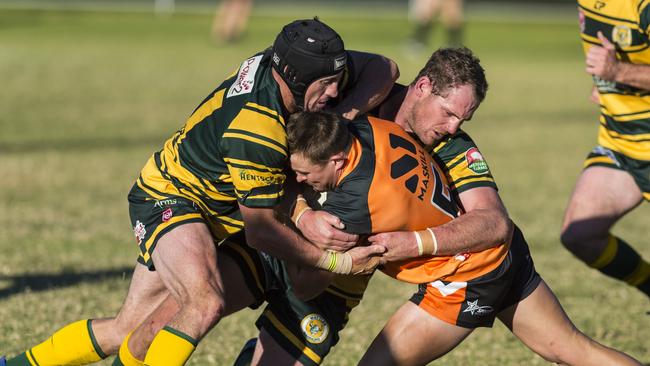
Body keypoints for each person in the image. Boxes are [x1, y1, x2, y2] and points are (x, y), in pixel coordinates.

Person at [2, 18, 398, 366]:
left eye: (337, 80)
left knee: (130, 331)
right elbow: (261, 230)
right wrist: (336, 263)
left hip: (212, 213)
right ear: (294, 76)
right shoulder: (257, 128)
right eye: (326, 84)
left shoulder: (298, 67)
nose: (333, 90)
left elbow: (385, 67)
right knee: (204, 302)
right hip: (172, 198)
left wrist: (336, 118)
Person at [245, 48, 640, 366]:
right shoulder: (363, 105)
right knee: (571, 350)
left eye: (464, 117)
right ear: (422, 87)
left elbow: (494, 223)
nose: (453, 127)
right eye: (449, 112)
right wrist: (301, 213)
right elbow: (373, 69)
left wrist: (411, 243)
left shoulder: (453, 145)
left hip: (468, 273)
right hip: (489, 262)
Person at [560, 1, 650, 299]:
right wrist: (605, 85)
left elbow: (616, 65)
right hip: (619, 141)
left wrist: (618, 71)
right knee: (580, 235)